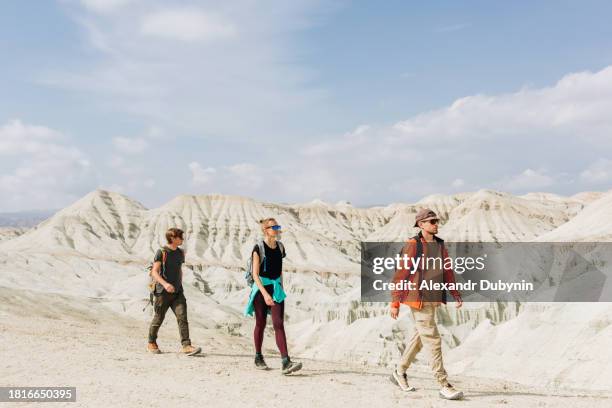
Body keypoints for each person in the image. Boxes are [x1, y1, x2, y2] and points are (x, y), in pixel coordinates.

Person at [389, 208, 464, 400]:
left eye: (436, 221)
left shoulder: (439, 245)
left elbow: (447, 271)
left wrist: (455, 293)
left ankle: (399, 371)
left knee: (420, 337)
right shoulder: (413, 245)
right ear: (421, 224)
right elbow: (401, 274)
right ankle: (443, 383)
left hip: (433, 299)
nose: (435, 224)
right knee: (433, 339)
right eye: (431, 221)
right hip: (418, 300)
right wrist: (395, 302)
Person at [244, 218, 302, 374]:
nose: (277, 229)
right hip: (261, 289)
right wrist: (264, 294)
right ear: (266, 230)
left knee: (278, 323)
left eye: (278, 226)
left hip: (276, 288)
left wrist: (280, 289)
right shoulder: (258, 248)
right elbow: (255, 274)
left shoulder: (280, 247)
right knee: (261, 324)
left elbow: (279, 270)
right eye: (274, 227)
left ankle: (285, 361)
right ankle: (258, 357)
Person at [147, 227, 201, 356]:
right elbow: (154, 272)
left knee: (182, 318)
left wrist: (179, 284)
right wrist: (166, 284)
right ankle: (151, 342)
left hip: (177, 292)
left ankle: (186, 345)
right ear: (172, 238)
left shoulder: (180, 253)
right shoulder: (161, 252)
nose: (182, 239)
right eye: (180, 237)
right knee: (159, 318)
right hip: (162, 293)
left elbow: (179, 269)